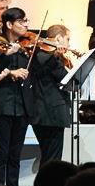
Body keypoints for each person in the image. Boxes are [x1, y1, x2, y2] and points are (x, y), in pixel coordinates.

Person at [0, 7, 34, 186]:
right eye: (21, 21)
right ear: (9, 24)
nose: (26, 25)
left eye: (26, 21)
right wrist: (11, 73)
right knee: (2, 154)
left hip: (22, 107)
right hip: (3, 105)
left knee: (15, 156)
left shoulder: (25, 49)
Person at [29, 25, 73, 164]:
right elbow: (66, 79)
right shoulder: (47, 56)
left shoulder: (41, 55)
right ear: (58, 38)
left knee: (48, 157)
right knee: (52, 159)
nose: (69, 44)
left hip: (42, 114)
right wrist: (59, 59)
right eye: (67, 39)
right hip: (51, 114)